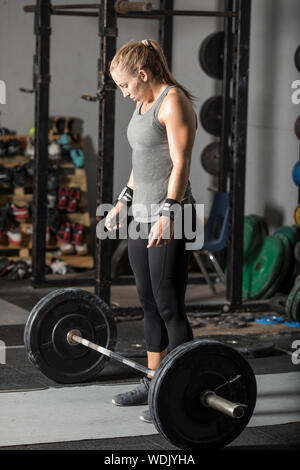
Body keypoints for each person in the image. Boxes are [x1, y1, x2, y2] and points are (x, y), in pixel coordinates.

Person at [105, 38, 198, 423]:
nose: (125, 94)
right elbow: (141, 160)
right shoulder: (144, 103)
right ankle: (155, 380)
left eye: (126, 86)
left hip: (171, 215)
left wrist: (168, 213)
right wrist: (122, 201)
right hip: (140, 215)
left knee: (168, 305)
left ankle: (186, 389)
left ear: (143, 75)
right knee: (147, 302)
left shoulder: (172, 101)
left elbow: (181, 163)